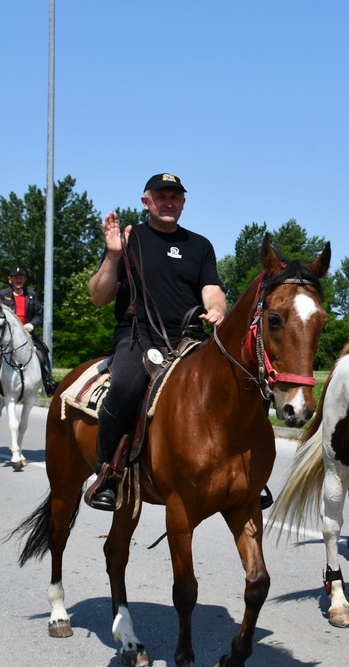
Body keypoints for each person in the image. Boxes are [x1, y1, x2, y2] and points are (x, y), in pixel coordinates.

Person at [84, 172, 228, 511]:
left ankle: (243, 469)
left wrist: (218, 310)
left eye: (175, 197)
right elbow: (98, 297)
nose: (168, 202)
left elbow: (212, 289)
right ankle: (107, 472)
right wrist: (113, 255)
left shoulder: (200, 245)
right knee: (126, 385)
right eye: (161, 196)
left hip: (189, 339)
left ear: (183, 202)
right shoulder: (130, 239)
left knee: (238, 381)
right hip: (139, 334)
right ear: (146, 201)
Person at [0, 266, 58, 397]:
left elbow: (39, 314)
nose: (18, 280)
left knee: (43, 351)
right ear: (10, 280)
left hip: (27, 332)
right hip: (6, 333)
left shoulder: (31, 295)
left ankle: (48, 383)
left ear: (24, 280)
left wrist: (31, 325)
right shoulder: (3, 294)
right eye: (16, 278)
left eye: (21, 278)